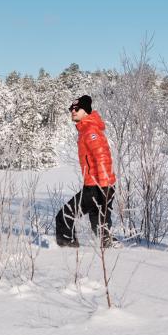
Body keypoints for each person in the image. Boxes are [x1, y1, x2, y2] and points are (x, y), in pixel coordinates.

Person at [55, 95, 117, 247]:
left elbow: (102, 157)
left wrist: (104, 188)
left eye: (77, 109)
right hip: (99, 185)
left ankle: (67, 249)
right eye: (71, 109)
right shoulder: (86, 129)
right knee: (99, 222)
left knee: (64, 215)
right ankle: (109, 248)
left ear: (86, 111)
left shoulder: (90, 130)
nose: (73, 111)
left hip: (97, 186)